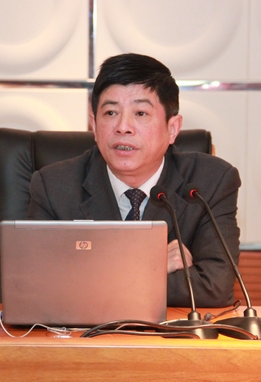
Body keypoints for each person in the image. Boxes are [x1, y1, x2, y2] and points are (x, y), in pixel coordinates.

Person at [27, 53, 241, 308]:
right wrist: (150, 265)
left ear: (172, 128)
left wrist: (93, 277)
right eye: (110, 112)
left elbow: (214, 287)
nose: (123, 127)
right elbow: (37, 285)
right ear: (94, 125)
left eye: (140, 113)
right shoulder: (53, 187)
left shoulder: (210, 183)